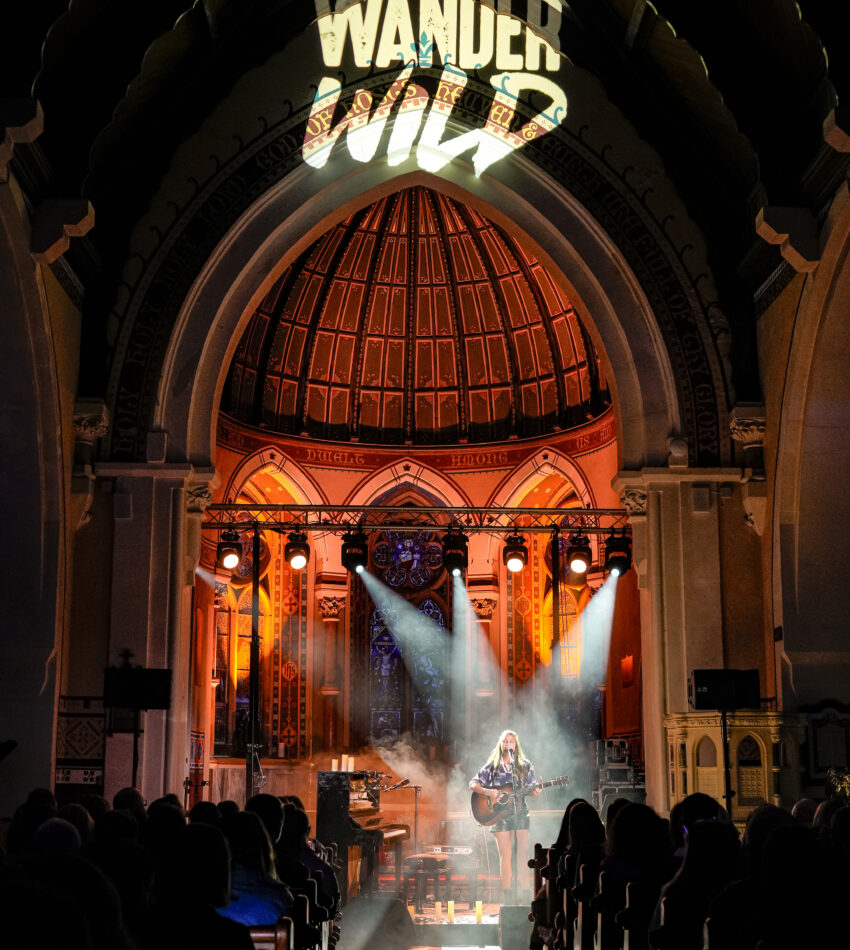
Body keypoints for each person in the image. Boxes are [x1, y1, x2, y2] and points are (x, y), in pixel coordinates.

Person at [469, 729, 541, 900]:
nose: (508, 743)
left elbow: (530, 789)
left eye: (511, 741)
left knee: (523, 853)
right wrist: (489, 792)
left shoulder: (524, 765)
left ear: (516, 745)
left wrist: (535, 791)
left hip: (520, 812)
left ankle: (525, 894)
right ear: (500, 744)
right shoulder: (492, 766)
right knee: (506, 854)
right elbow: (473, 784)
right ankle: (507, 894)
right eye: (505, 741)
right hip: (498, 814)